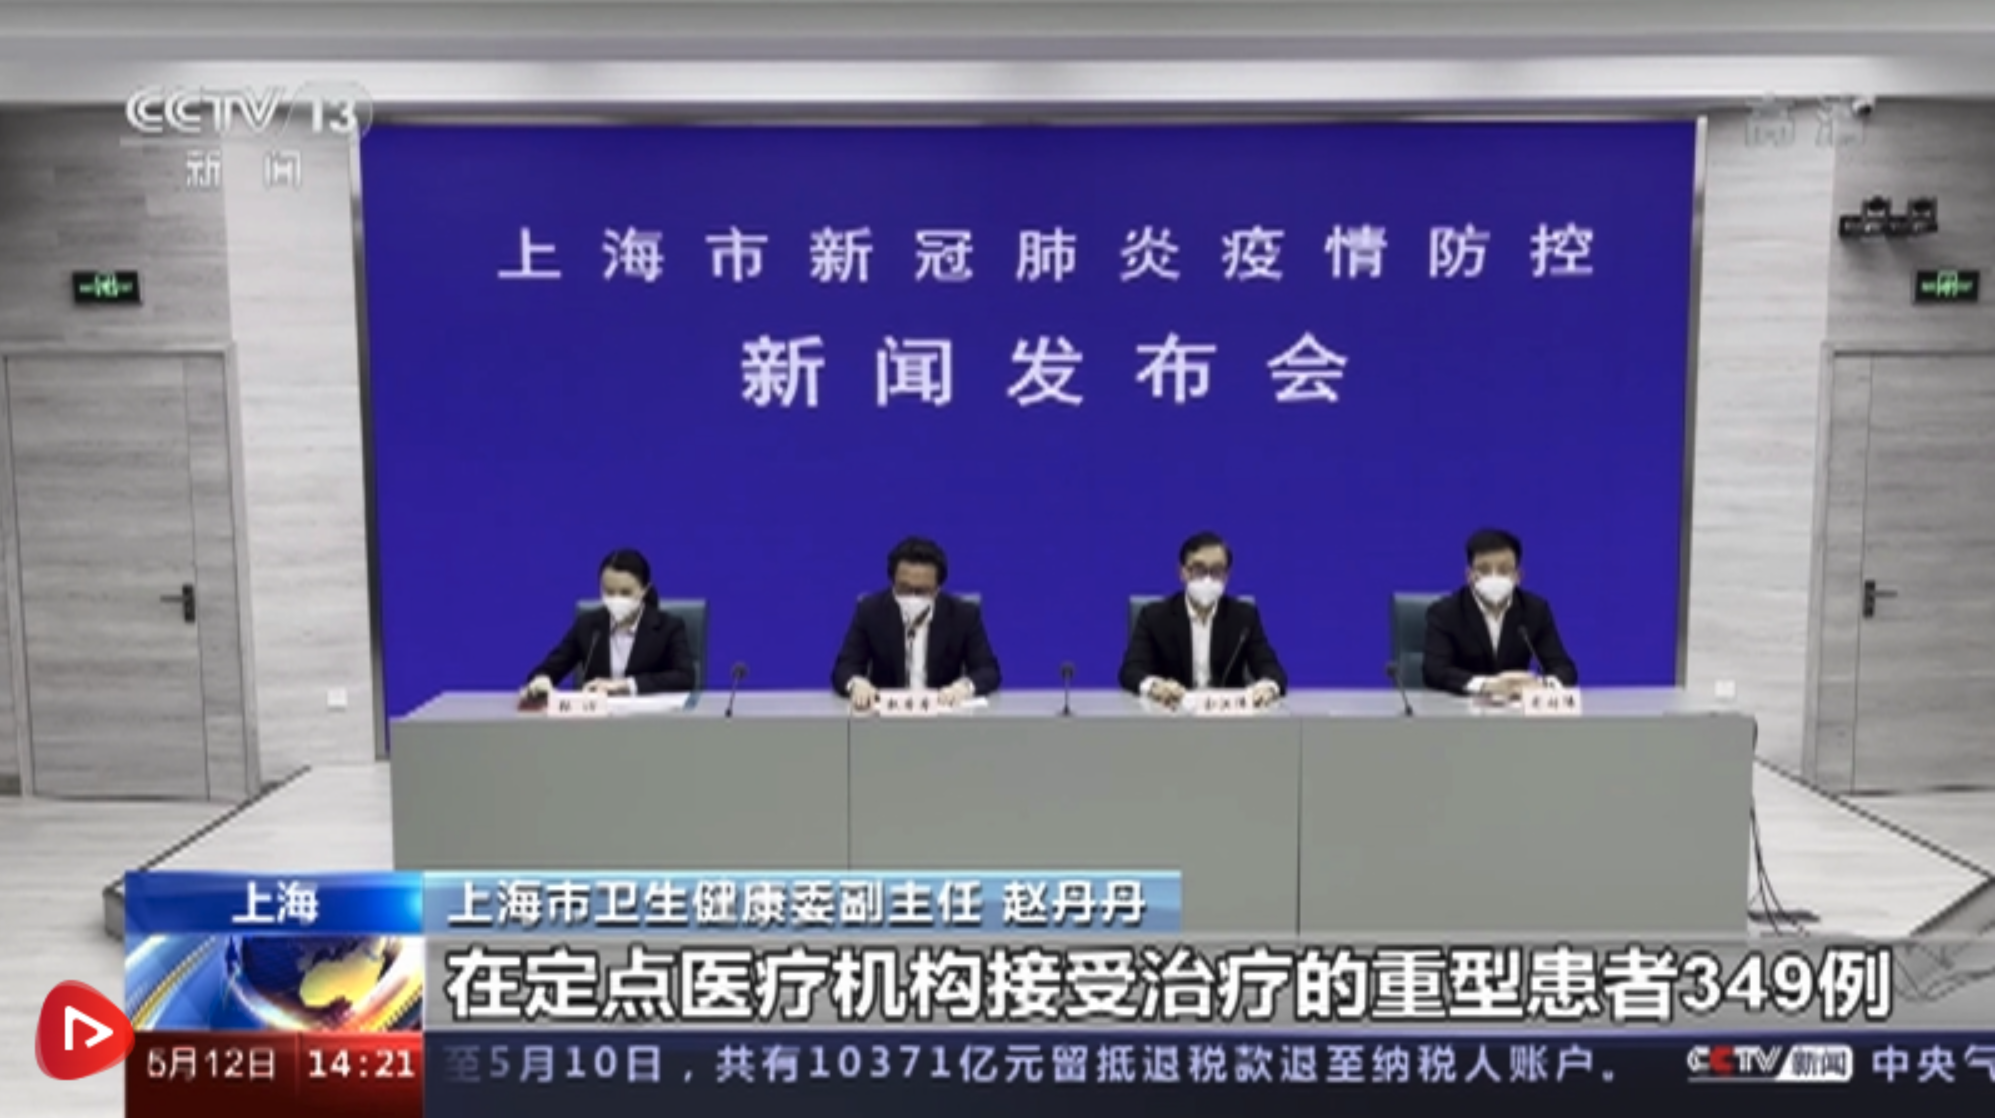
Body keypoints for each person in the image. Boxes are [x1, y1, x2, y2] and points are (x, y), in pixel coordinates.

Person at [1119, 530, 1287, 708]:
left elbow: (1271, 668)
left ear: (1226, 576)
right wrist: (1155, 686)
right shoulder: (1155, 616)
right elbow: (1131, 670)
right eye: (1198, 569)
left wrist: (1268, 687)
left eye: (1216, 571)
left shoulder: (1243, 617)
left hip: (1227, 717)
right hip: (1172, 712)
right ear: (1182, 572)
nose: (1207, 579)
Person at [833, 537, 1002, 712]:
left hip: (944, 717)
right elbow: (845, 667)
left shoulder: (963, 615)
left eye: (922, 591)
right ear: (893, 582)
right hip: (887, 718)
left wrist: (964, 687)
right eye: (904, 588)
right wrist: (857, 684)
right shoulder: (871, 611)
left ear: (937, 588)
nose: (912, 597)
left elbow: (988, 670)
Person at [1422, 527, 1579, 697]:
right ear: (1469, 575)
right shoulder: (1445, 612)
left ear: (1518, 576)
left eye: (1504, 570)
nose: (1494, 577)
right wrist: (1488, 685)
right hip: (1461, 707)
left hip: (1516, 707)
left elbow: (1564, 669)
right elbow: (1434, 671)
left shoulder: (1535, 610)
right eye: (1484, 570)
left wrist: (1538, 684)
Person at [520, 548, 696, 699]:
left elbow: (685, 677)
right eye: (609, 592)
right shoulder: (588, 626)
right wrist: (541, 681)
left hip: (649, 721)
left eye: (625, 592)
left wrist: (624, 685)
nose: (616, 599)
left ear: (644, 590)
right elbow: (547, 670)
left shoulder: (668, 627)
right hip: (597, 723)